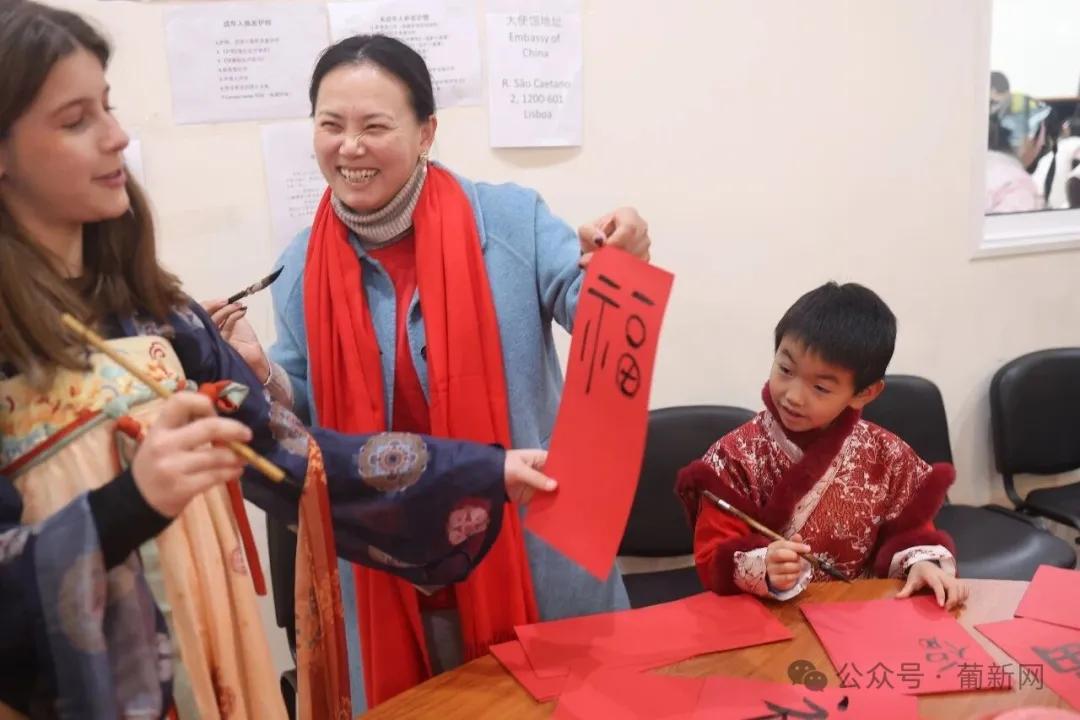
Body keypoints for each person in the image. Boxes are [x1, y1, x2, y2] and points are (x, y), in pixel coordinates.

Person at [0, 4, 555, 718]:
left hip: (215, 655)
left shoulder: (159, 315)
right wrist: (129, 504)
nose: (117, 136)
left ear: (426, 133)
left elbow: (294, 456)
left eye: (107, 107)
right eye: (77, 120)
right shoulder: (301, 264)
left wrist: (478, 472)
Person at [205, 33, 651, 710]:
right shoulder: (300, 265)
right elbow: (308, 421)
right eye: (331, 125)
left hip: (532, 553)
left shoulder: (510, 220)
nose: (349, 147)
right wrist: (262, 370)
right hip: (393, 573)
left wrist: (623, 265)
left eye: (374, 126)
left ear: (426, 133)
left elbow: (596, 316)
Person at [676, 282, 968, 610]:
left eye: (820, 387)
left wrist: (922, 564)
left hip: (859, 612)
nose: (793, 396)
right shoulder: (734, 455)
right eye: (785, 370)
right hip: (767, 617)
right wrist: (763, 566)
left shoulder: (885, 454)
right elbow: (712, 556)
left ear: (865, 393)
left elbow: (910, 532)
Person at [986, 114, 1044, 214]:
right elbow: (1015, 222)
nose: (1042, 144)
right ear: (1028, 140)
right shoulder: (1018, 184)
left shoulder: (968, 169)